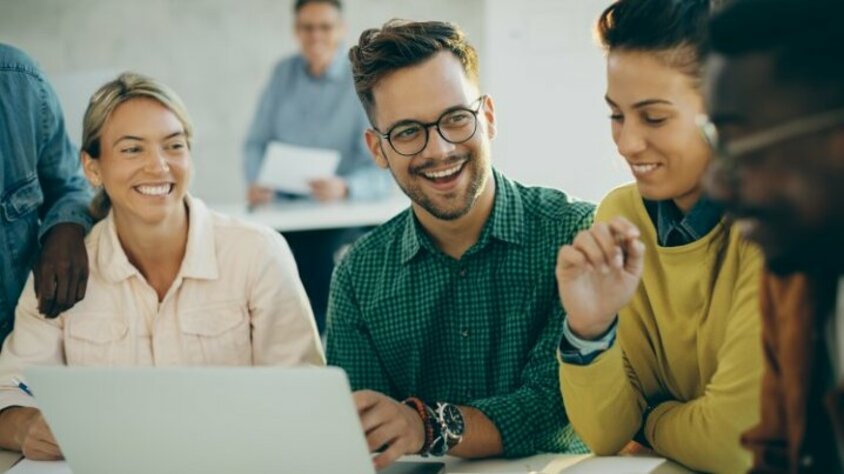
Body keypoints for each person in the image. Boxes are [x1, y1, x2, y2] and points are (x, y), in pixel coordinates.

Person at [0, 73, 324, 461]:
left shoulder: (257, 253)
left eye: (174, 146)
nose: (158, 166)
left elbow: (305, 395)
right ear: (92, 167)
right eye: (132, 150)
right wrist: (25, 427)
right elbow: (9, 391)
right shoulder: (63, 269)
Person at [326, 19, 594, 470]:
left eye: (455, 118)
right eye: (408, 132)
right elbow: (367, 441)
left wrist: (427, 425)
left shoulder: (574, 232)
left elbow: (561, 408)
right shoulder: (358, 276)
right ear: (377, 150)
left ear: (487, 117)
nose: (440, 150)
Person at [554, 1, 763, 472]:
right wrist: (589, 329)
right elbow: (605, 434)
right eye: (616, 115)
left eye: (653, 118)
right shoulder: (620, 215)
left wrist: (649, 422)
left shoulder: (767, 224)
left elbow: (736, 441)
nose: (627, 143)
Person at [704, 0, 844, 472]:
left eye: (742, 149)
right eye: (716, 145)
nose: (716, 185)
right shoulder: (790, 274)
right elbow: (776, 454)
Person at [243, 0, 393, 333]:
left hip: (337, 214)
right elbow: (255, 142)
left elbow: (383, 166)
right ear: (296, 31)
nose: (315, 36)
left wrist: (346, 186)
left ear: (340, 29)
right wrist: (256, 181)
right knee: (254, 254)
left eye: (325, 27)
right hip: (282, 209)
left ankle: (323, 340)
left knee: (314, 258)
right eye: (307, 27)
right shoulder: (283, 74)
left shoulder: (360, 81)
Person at [0, 43, 94, 345]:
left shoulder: (19, 78)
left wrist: (66, 227)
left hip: (14, 341)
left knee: (19, 394)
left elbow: (70, 185)